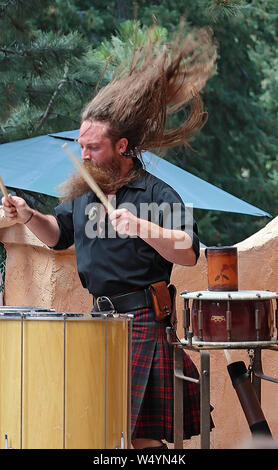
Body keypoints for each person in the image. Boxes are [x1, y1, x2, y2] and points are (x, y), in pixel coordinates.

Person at [2, 24, 216, 449]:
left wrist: (141, 226)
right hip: (97, 323)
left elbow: (190, 252)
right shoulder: (83, 194)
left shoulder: (156, 193)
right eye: (81, 146)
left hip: (142, 321)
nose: (83, 155)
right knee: (102, 431)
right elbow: (57, 236)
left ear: (122, 146)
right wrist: (28, 215)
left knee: (144, 441)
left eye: (93, 148)